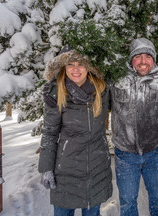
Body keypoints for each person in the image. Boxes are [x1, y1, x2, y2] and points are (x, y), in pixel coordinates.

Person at [38, 46, 112, 216]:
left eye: (81, 64)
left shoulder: (102, 90)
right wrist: (46, 168)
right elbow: (49, 132)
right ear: (64, 67)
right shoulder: (57, 93)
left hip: (97, 170)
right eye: (70, 64)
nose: (76, 69)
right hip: (66, 172)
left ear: (89, 67)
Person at [110, 38, 158, 216]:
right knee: (127, 202)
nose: (143, 61)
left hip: (153, 152)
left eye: (148, 56)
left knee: (157, 199)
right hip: (125, 154)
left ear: (154, 59)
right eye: (138, 56)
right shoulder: (116, 78)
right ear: (131, 59)